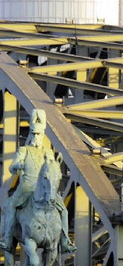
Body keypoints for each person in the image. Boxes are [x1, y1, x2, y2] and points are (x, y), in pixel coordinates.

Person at [0, 109, 74, 255]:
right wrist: (17, 165)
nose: (36, 136)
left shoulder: (48, 152)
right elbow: (12, 165)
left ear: (43, 135)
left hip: (45, 188)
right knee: (11, 206)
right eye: (33, 133)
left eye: (38, 134)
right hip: (26, 187)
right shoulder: (24, 150)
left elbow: (52, 168)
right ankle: (7, 238)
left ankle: (65, 242)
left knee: (64, 211)